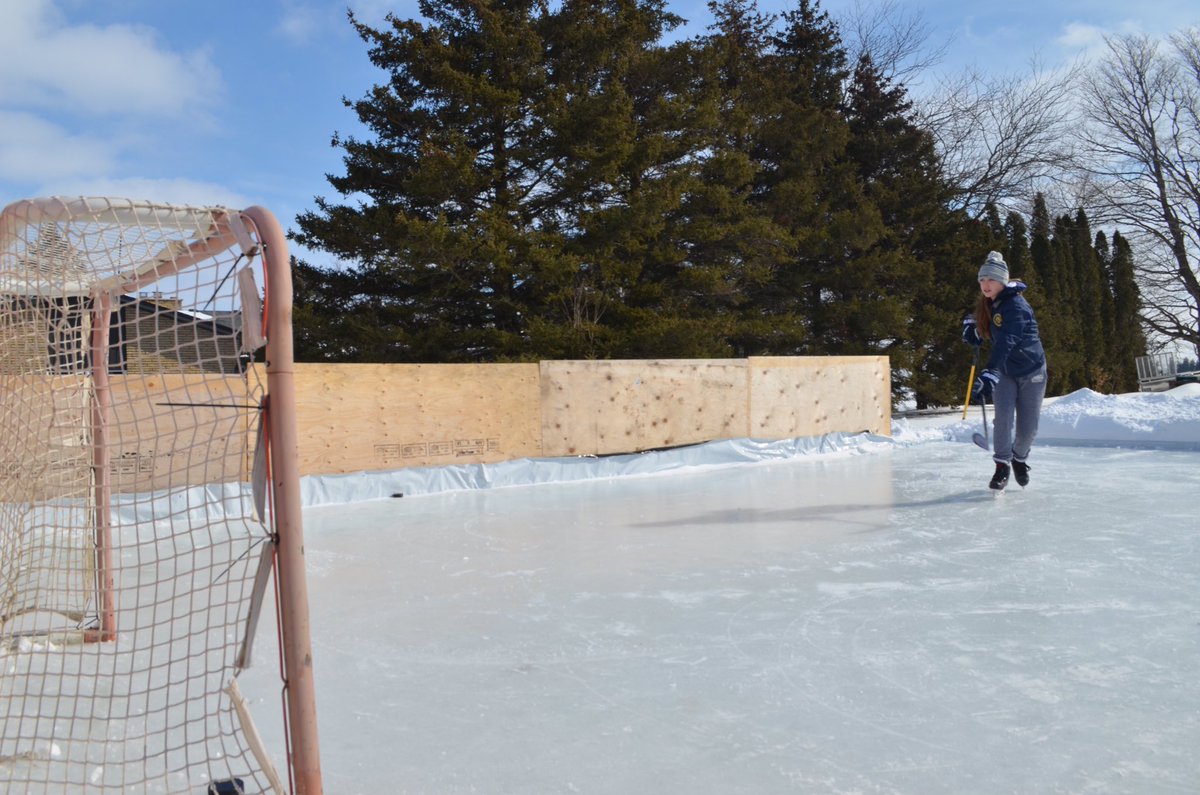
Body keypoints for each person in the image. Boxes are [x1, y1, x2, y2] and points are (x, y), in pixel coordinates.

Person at [961, 251, 1047, 490]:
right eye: (982, 280)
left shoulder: (1017, 306)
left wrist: (990, 372)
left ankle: (1019, 458)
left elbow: (1007, 340)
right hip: (1007, 371)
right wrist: (974, 330)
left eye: (991, 279)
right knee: (1003, 419)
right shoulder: (991, 302)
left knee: (1028, 429)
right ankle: (1001, 465)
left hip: (1032, 371)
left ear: (1002, 280)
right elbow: (989, 328)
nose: (985, 285)